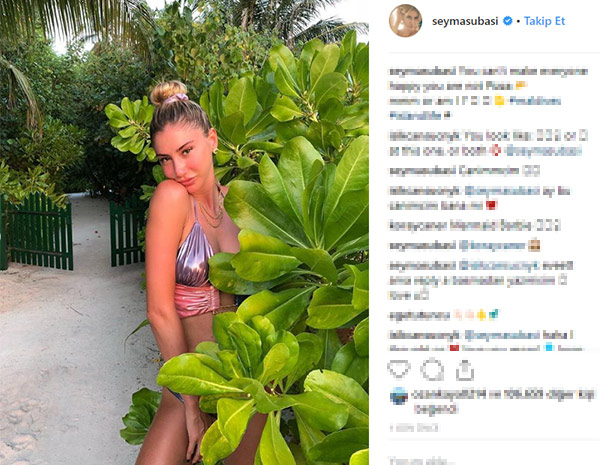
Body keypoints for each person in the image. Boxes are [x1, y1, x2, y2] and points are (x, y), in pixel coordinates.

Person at [136, 81, 264, 465]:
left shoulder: (240, 202)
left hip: (245, 376)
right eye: (165, 159)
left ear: (212, 140)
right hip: (193, 374)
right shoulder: (172, 198)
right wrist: (191, 403)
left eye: (186, 151)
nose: (177, 170)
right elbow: (159, 310)